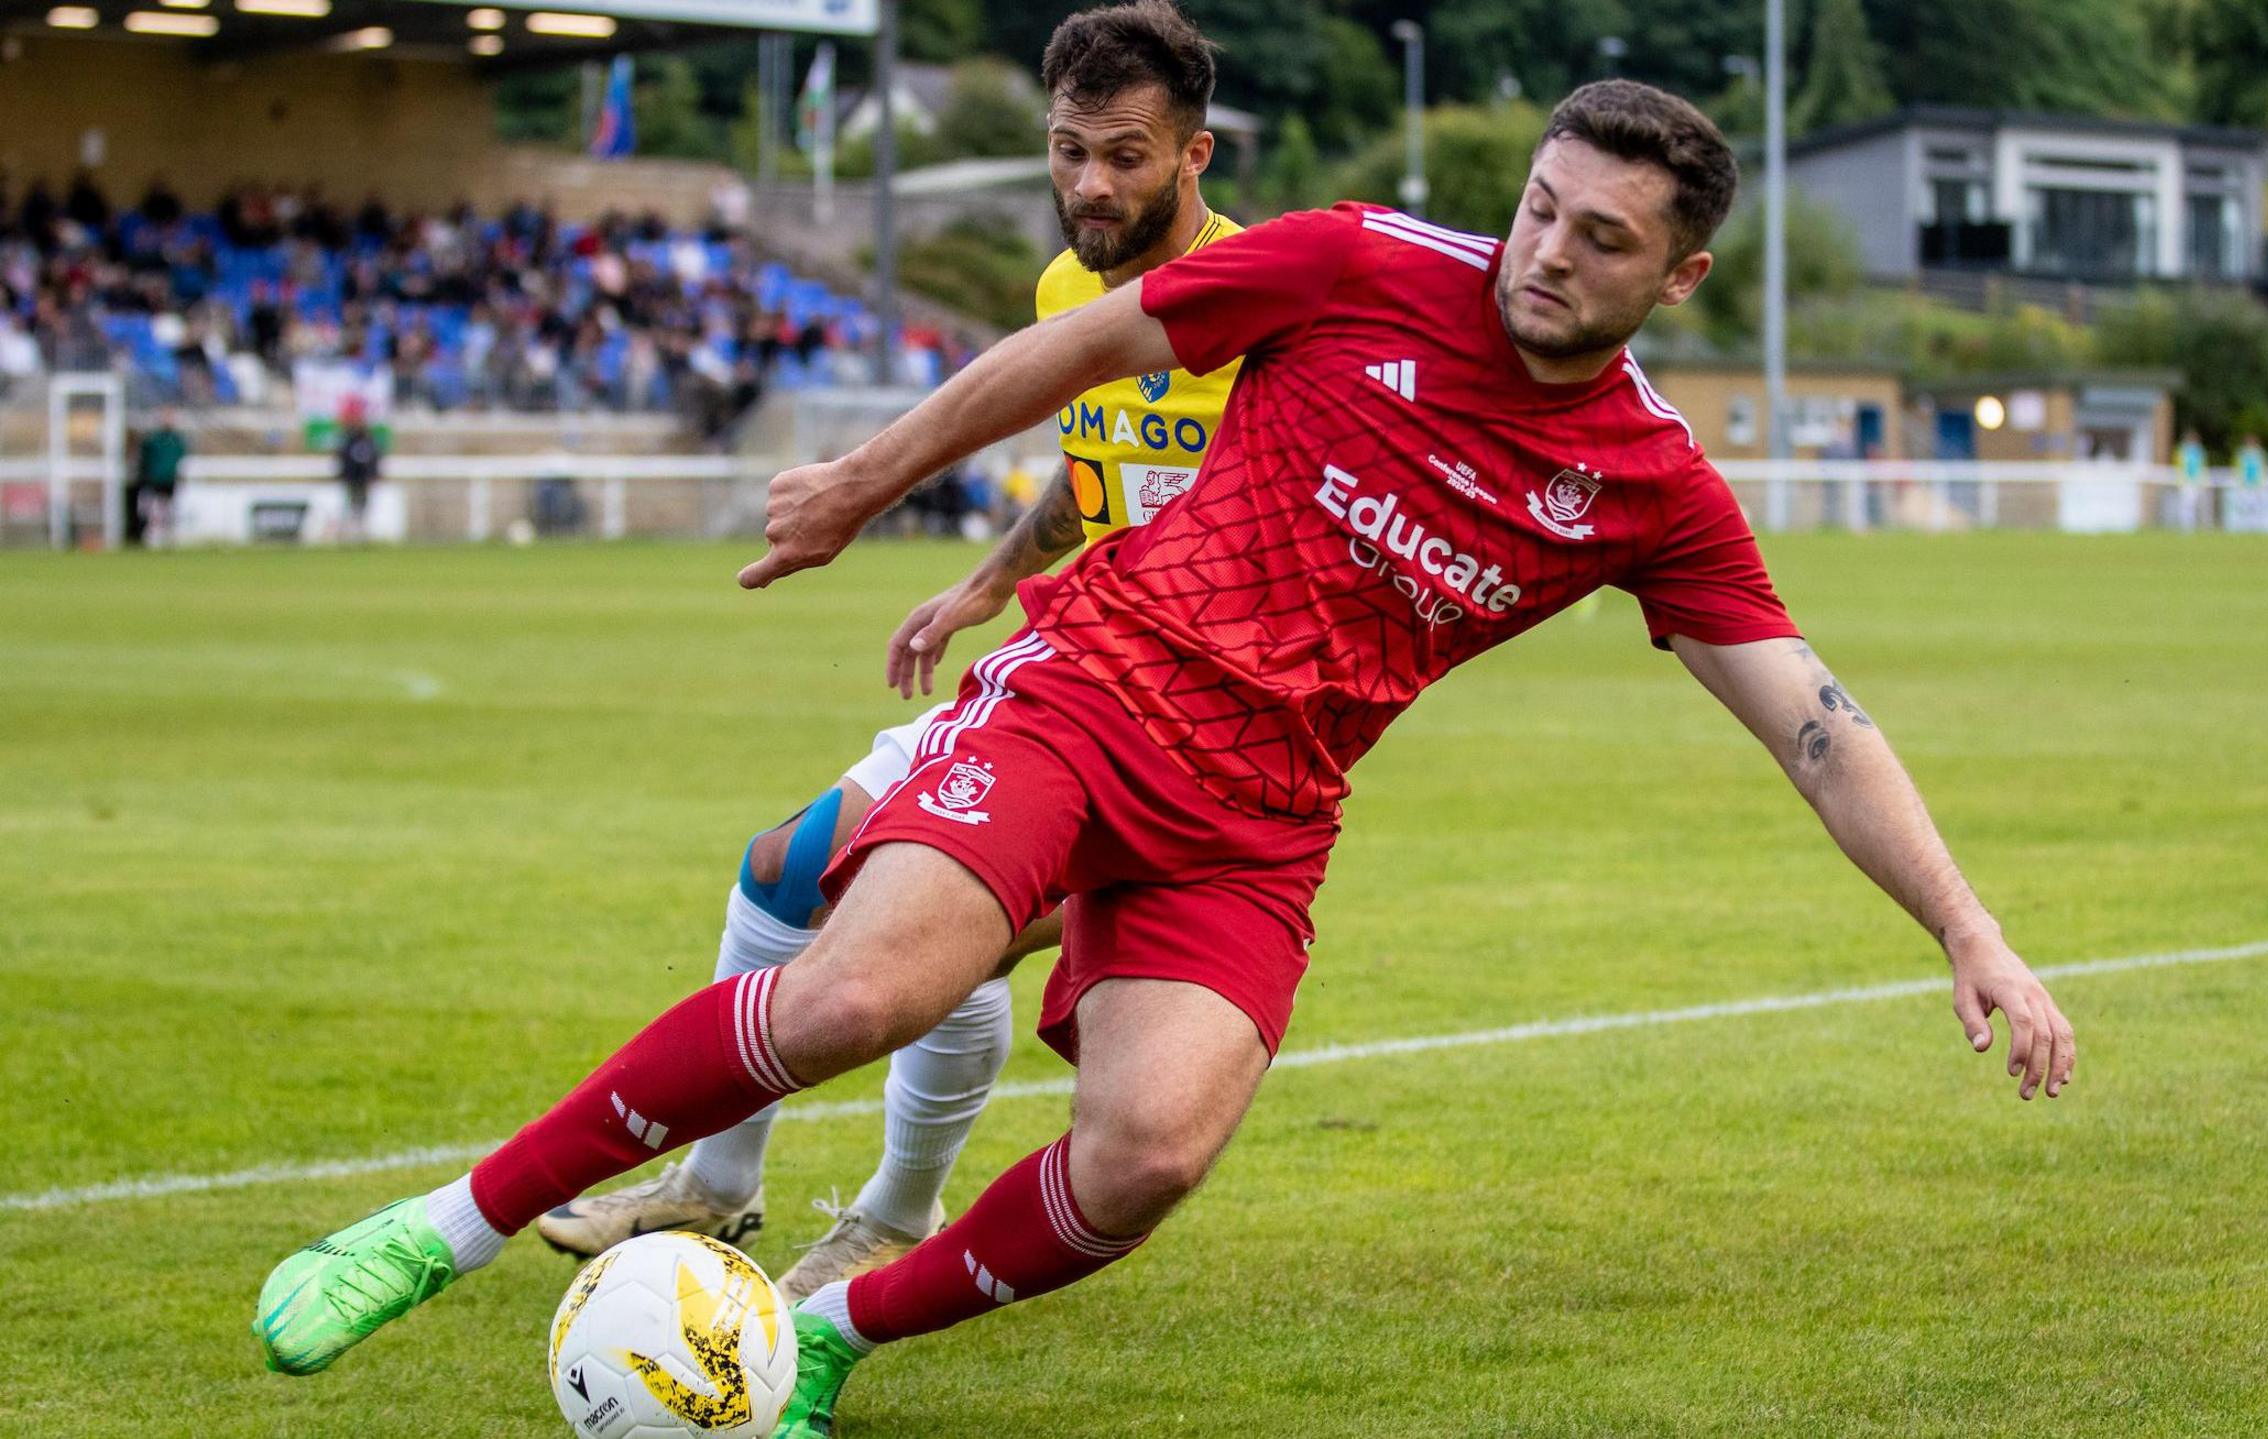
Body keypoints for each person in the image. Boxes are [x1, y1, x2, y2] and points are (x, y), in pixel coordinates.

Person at [255, 82, 2078, 1436]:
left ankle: (824, 1341)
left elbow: (1817, 724)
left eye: (1601, 239)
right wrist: (862, 488)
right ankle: (442, 1228)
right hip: (1101, 686)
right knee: (857, 990)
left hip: (1264, 817)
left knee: (1148, 1150)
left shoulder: (1652, 483)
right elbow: (1086, 346)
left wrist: (1970, 926)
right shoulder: (1361, 261)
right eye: (1539, 209)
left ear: (1673, 275)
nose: (1545, 252)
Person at [524, 0, 1249, 1306]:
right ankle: (715, 1184)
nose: (1091, 182)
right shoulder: (1066, 285)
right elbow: (1099, 474)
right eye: (1070, 148)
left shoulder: (1267, 310)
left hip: (1200, 738)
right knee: (788, 862)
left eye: (1127, 154)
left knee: (934, 937)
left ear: (1196, 157)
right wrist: (981, 583)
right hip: (1066, 674)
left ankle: (890, 1214)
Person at [126, 408, 186, 549]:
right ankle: (151, 538)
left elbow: (179, 459)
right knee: (152, 510)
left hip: (169, 480)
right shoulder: (153, 441)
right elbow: (143, 459)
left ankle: (168, 539)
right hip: (153, 480)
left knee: (168, 510)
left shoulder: (177, 441)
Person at [334, 400, 382, 543]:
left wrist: (373, 474)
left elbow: (373, 458)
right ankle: (348, 533)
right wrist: (343, 474)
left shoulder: (367, 439)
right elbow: (344, 459)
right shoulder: (348, 439)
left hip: (363, 477)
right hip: (351, 477)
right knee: (351, 505)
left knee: (363, 505)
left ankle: (361, 533)